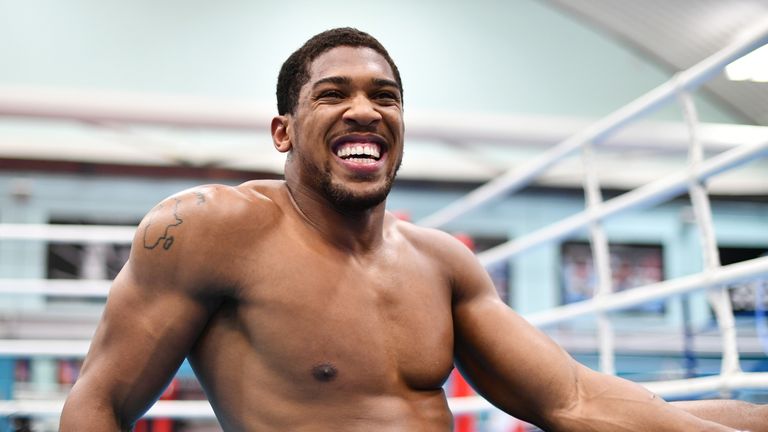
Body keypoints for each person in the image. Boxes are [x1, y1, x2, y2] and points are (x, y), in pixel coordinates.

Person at [60, 27, 767, 431]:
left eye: (385, 96)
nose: (364, 110)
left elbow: (572, 399)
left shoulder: (442, 264)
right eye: (332, 94)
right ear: (283, 130)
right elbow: (100, 400)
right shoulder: (213, 229)